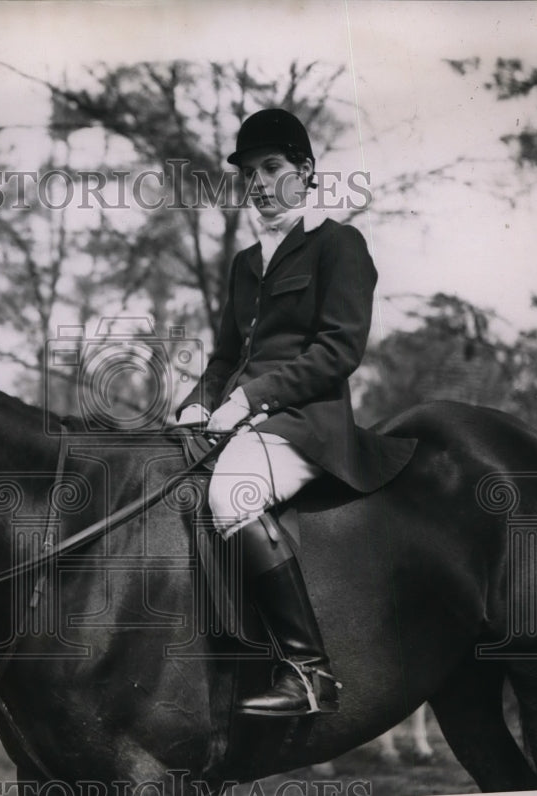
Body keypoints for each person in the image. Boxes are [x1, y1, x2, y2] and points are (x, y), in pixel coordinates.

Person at [177, 108, 415, 716]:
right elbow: (227, 355)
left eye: (272, 167)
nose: (258, 182)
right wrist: (197, 403)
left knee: (233, 494)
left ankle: (310, 673)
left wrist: (248, 400)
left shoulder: (338, 244)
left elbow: (339, 350)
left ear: (305, 171)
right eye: (248, 172)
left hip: (307, 425)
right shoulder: (244, 264)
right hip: (238, 419)